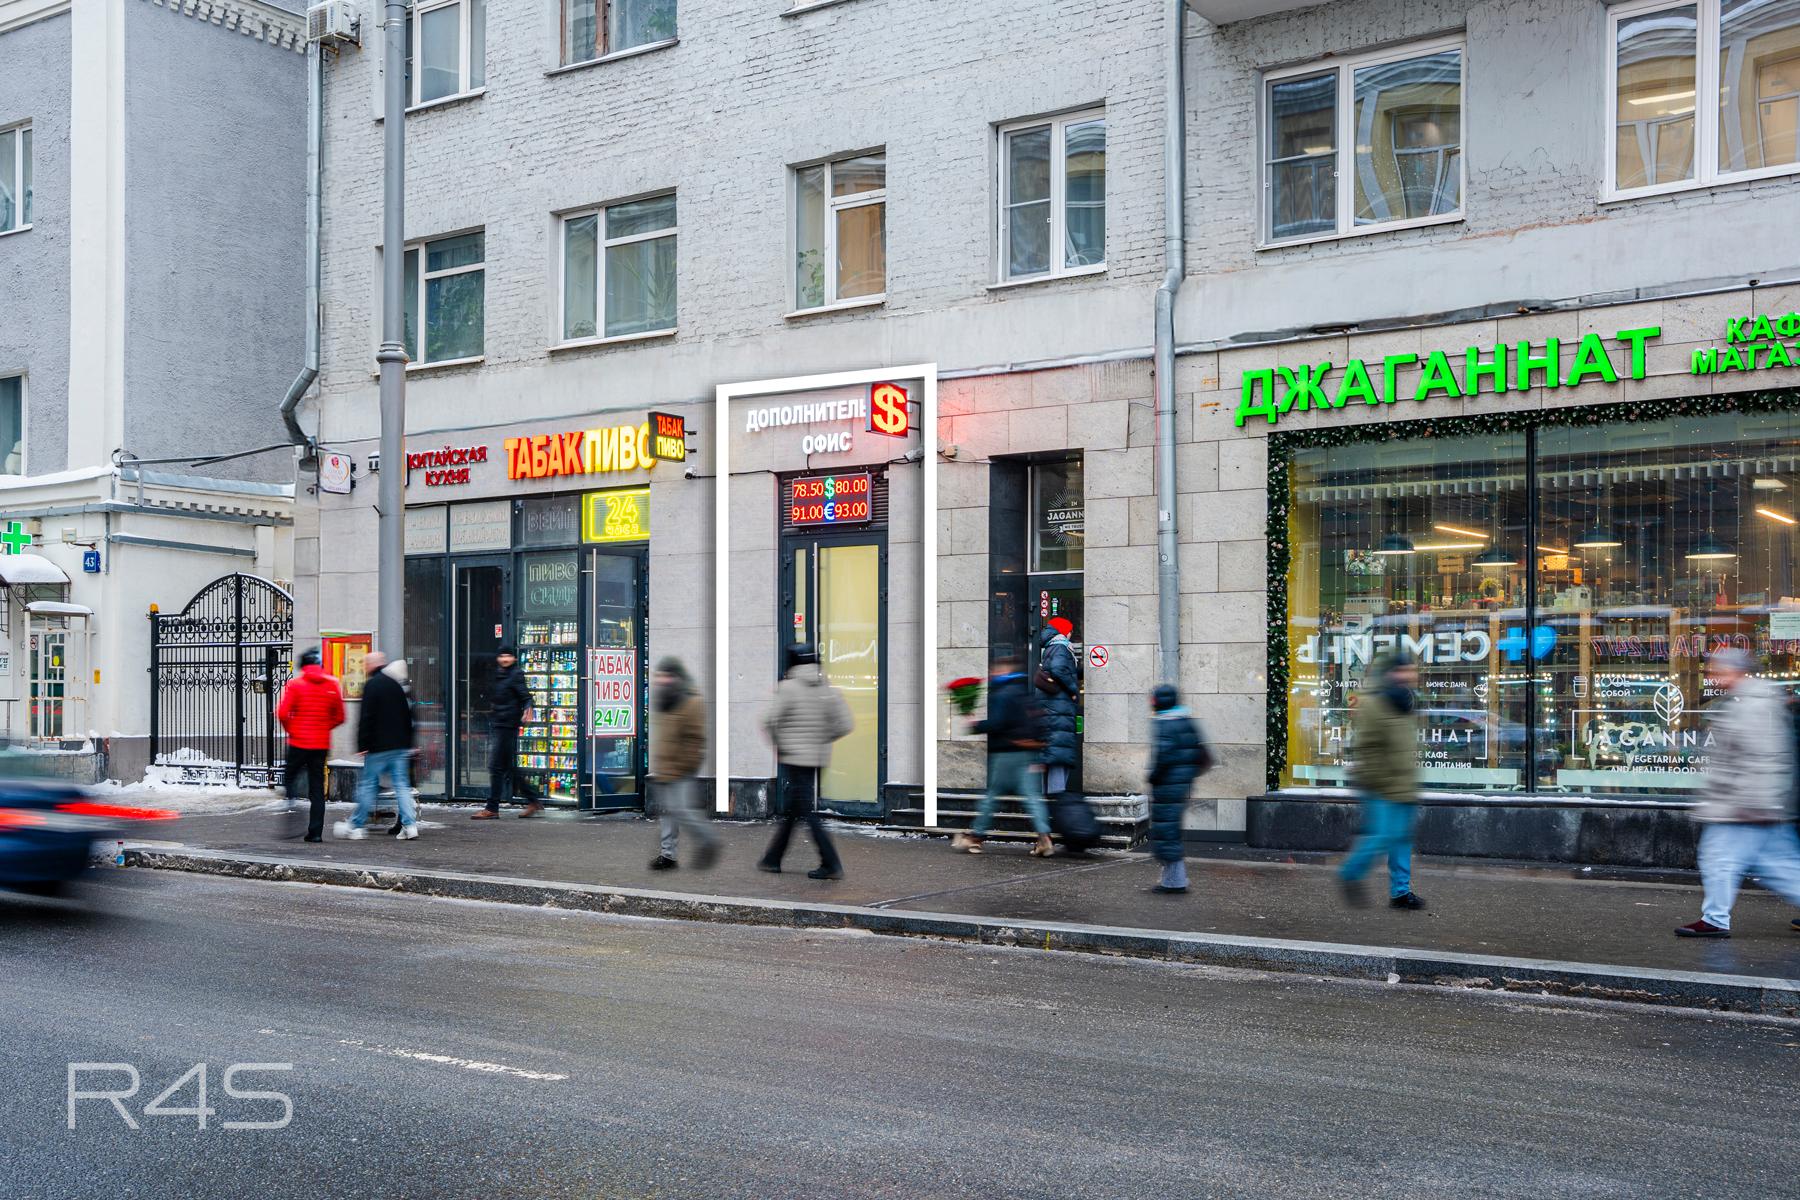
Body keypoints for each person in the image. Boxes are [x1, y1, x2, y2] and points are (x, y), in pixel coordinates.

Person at [1675, 648, 1800, 937]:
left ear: (1734, 671)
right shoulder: (1746, 700)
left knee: (1717, 858)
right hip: (1752, 805)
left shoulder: (1751, 705)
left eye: (1717, 669)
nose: (1712, 675)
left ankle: (1715, 920)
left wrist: (1750, 803)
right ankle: (1714, 918)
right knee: (1782, 867)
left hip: (1743, 806)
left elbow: (1760, 757)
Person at [758, 644, 853, 880]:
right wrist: (822, 739)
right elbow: (846, 724)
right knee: (795, 808)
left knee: (806, 811)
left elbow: (768, 720)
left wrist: (780, 743)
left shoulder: (788, 688)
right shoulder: (827, 688)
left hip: (794, 757)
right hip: (817, 758)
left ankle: (830, 862)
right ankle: (772, 858)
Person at [1338, 651, 1425, 910]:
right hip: (1381, 785)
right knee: (1383, 836)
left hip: (1404, 784)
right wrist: (1383, 780)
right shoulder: (1375, 703)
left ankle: (1401, 893)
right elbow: (1365, 747)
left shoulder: (1406, 703)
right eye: (1404, 669)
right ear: (1391, 673)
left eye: (1411, 669)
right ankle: (1349, 873)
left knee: (1402, 839)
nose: (1410, 674)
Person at [952, 653, 1052, 857]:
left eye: (995, 670)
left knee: (991, 797)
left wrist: (976, 724)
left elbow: (997, 723)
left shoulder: (1002, 693)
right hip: (1029, 753)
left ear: (1003, 670)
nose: (992, 673)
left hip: (1006, 754)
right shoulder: (1024, 692)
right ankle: (1045, 838)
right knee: (1033, 798)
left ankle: (975, 837)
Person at [336, 651, 419, 841]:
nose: (364, 667)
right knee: (402, 786)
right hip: (399, 746)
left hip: (378, 747)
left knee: (368, 785)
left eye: (366, 663)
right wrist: (408, 742)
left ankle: (356, 825)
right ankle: (410, 825)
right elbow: (407, 716)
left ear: (372, 665)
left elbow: (366, 717)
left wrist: (362, 743)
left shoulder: (372, 685)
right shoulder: (395, 685)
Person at [648, 657, 717, 871]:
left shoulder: (691, 701)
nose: (661, 680)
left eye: (665, 676)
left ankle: (709, 841)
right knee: (668, 813)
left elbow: (695, 739)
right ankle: (667, 856)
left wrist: (686, 764)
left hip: (681, 768)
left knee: (682, 811)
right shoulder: (663, 700)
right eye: (659, 676)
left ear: (676, 677)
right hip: (665, 768)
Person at [1146, 684, 1211, 894]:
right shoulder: (1185, 720)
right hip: (1180, 784)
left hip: (1167, 785)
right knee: (1170, 830)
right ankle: (1172, 879)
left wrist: (1153, 777)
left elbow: (1164, 756)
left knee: (1167, 832)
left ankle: (1175, 882)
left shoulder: (1165, 723)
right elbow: (1199, 753)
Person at [277, 647, 346, 843]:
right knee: (317, 788)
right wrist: (324, 727)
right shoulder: (332, 685)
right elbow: (340, 717)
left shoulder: (296, 685)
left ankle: (292, 808)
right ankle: (315, 833)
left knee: (290, 776)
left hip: (298, 742)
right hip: (320, 745)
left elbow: (282, 713)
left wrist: (292, 729)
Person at [476, 645, 543, 820]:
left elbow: (526, 696)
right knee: (508, 767)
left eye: (508, 656)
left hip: (507, 725)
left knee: (496, 767)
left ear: (514, 658)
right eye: (502, 656)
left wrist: (527, 709)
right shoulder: (498, 674)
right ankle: (533, 800)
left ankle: (492, 808)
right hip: (500, 723)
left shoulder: (516, 674)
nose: (505, 659)